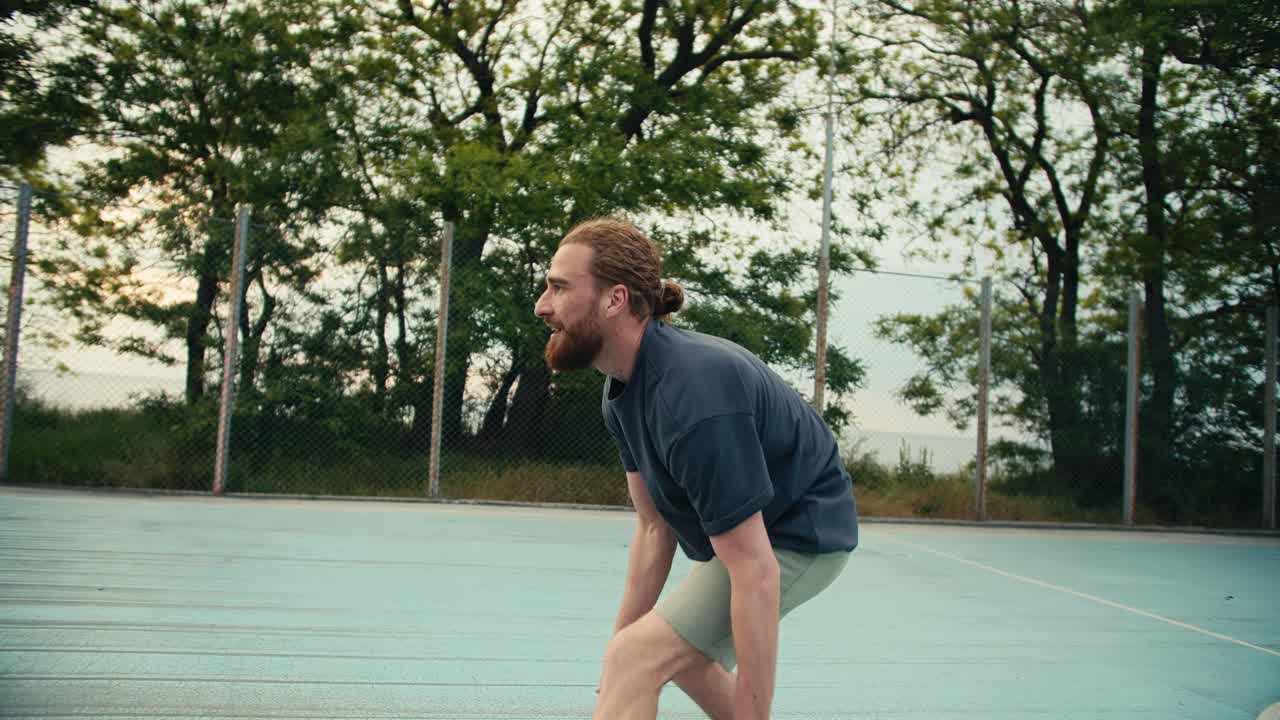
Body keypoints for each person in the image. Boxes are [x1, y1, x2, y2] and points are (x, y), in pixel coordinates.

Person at [533, 217, 858, 720]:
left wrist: (627, 662)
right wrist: (615, 663)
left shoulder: (695, 395)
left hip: (800, 534)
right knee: (654, 654)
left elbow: (756, 570)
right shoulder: (622, 391)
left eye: (558, 287)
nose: (542, 305)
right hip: (760, 540)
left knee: (640, 657)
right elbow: (653, 529)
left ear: (615, 299)